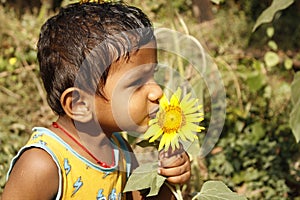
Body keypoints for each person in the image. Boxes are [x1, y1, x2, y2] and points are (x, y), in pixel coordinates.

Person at [2, 2, 191, 200]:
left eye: (153, 76)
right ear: (80, 105)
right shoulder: (42, 164)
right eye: (137, 83)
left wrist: (168, 181)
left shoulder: (119, 148)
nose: (157, 92)